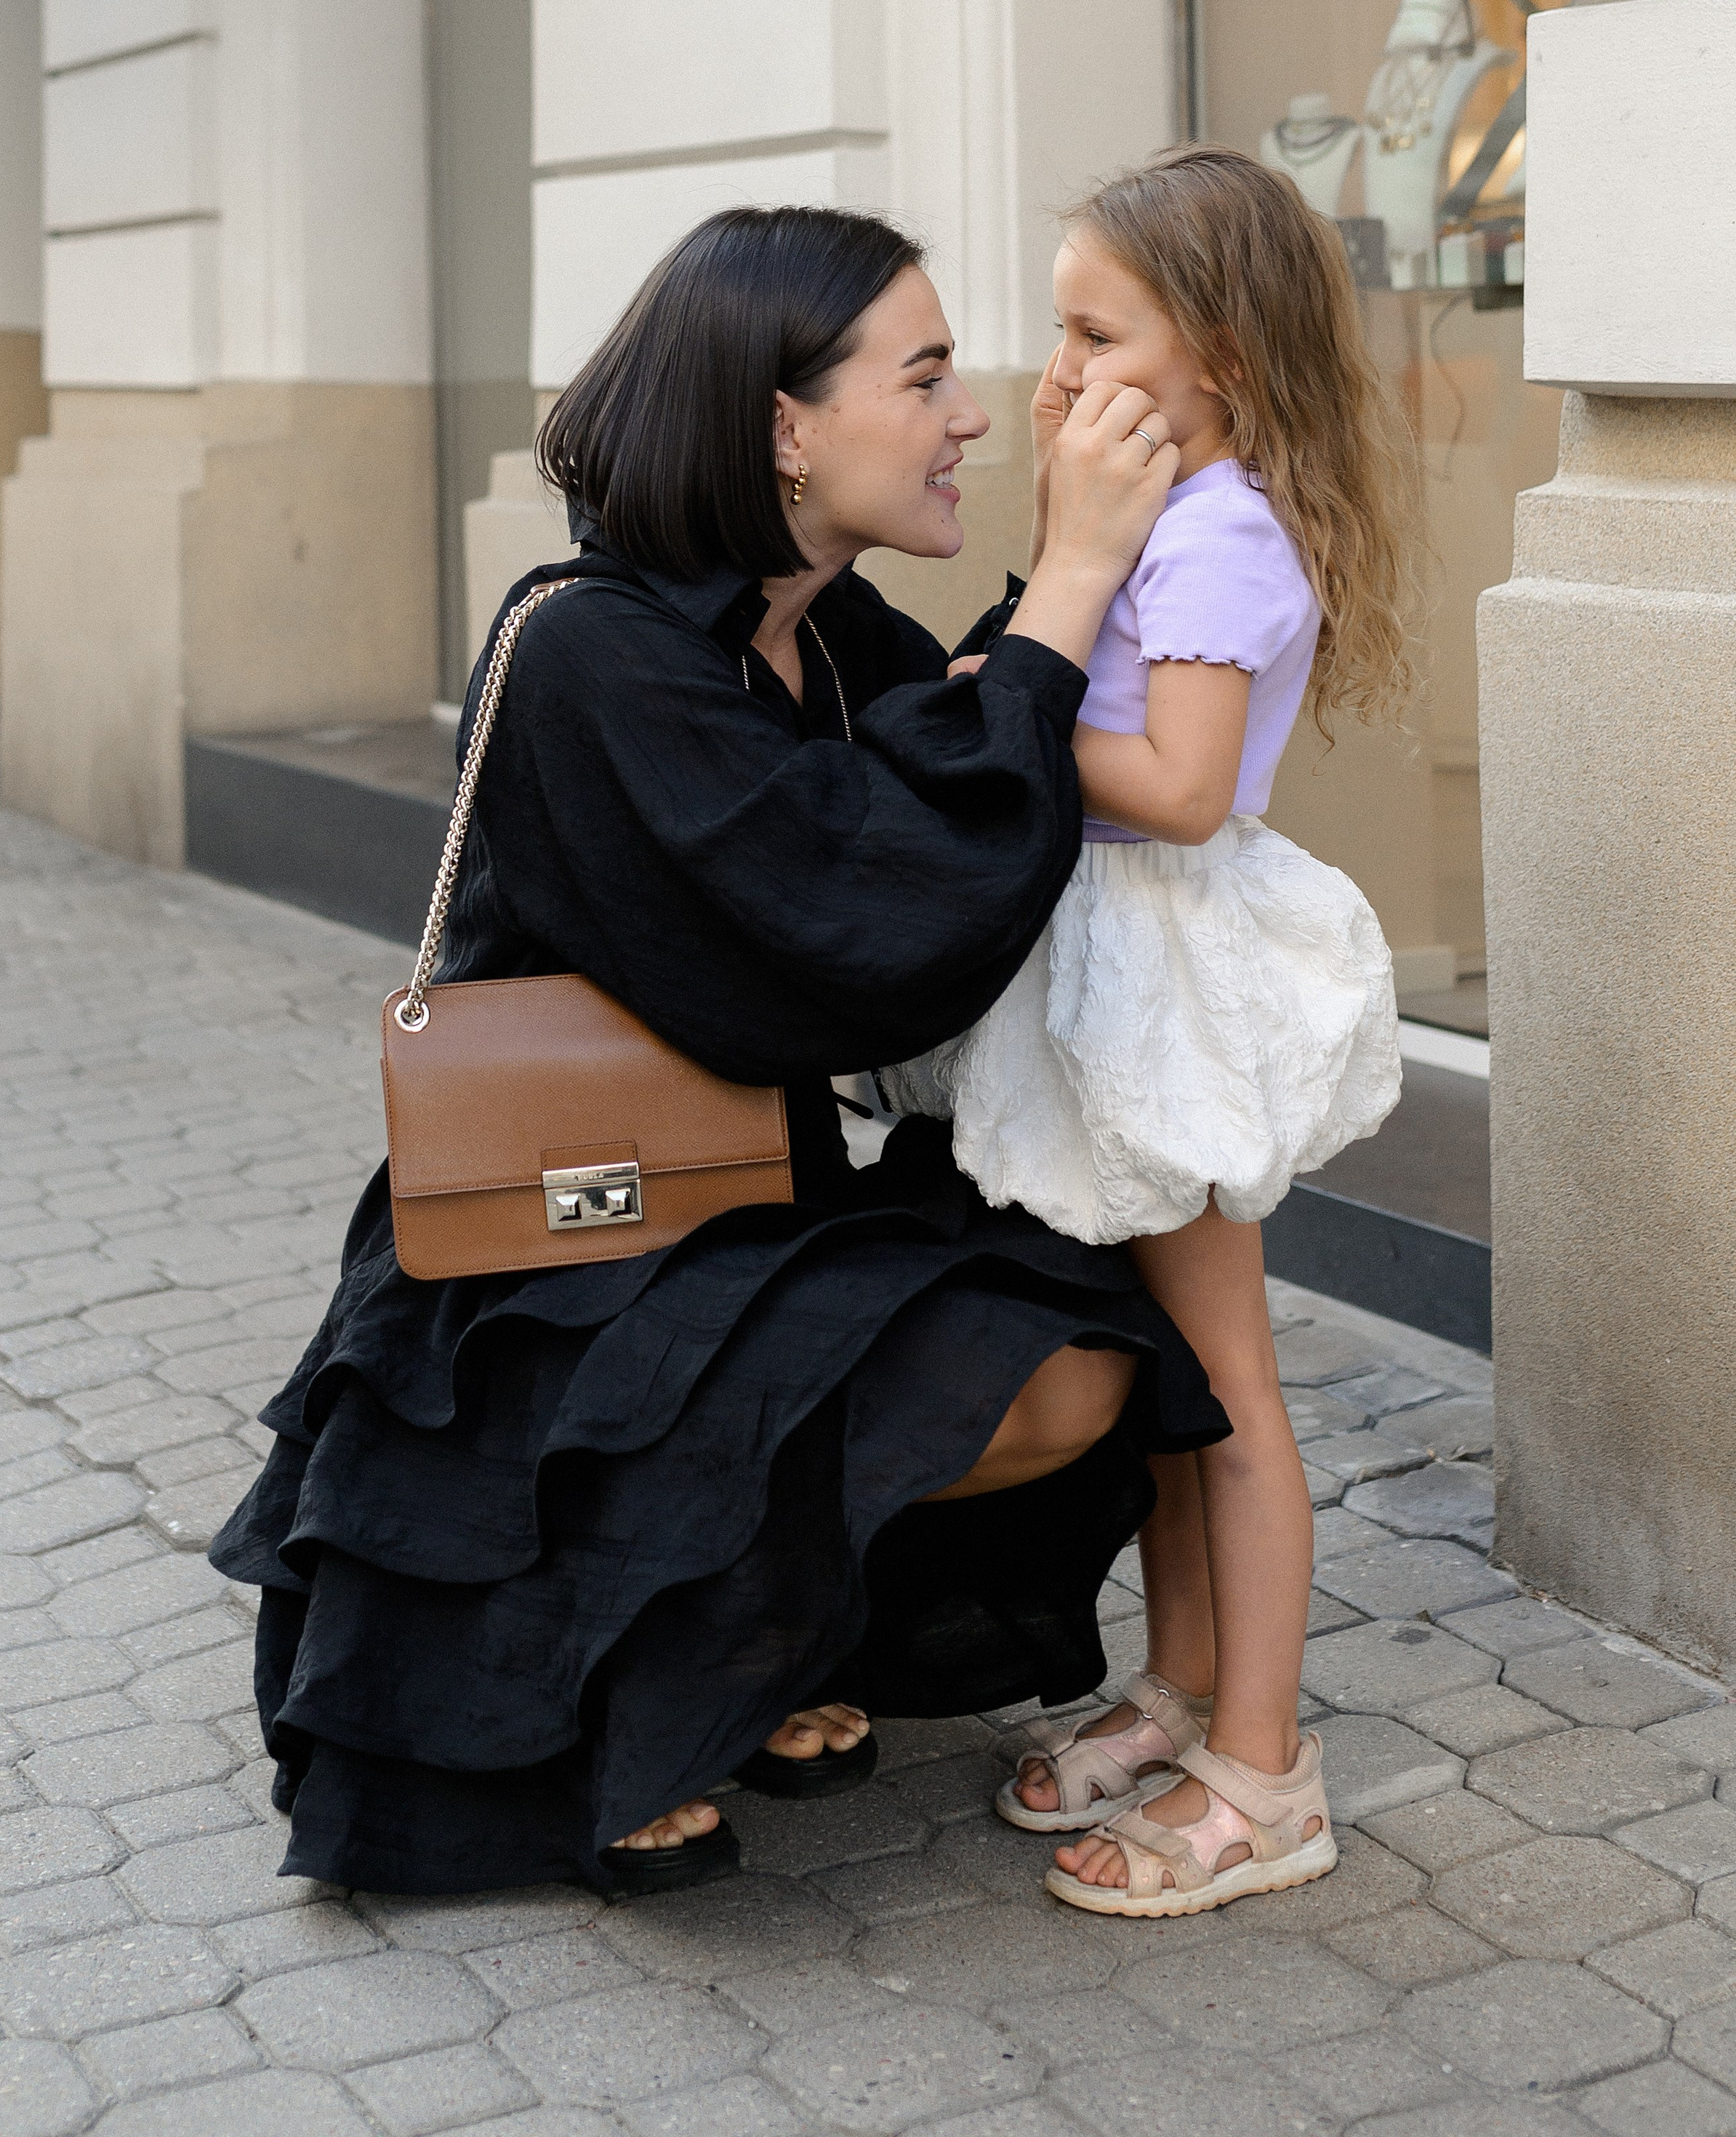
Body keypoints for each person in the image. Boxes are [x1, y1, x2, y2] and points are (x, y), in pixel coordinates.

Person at [210, 204, 1230, 1900]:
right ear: (781, 423)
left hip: (748, 1201)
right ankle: (606, 1711)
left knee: (1072, 1357)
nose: (972, 411)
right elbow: (871, 927)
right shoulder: (589, 648)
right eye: (921, 374)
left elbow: (967, 787)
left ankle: (733, 1652)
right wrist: (1069, 577)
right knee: (957, 1363)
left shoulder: (825, 630)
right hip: (555, 1259)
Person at [887, 147, 1416, 1919]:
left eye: (1091, 330)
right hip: (1099, 957)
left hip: (1164, 972)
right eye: (1054, 327)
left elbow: (1180, 788)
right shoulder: (1160, 503)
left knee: (1226, 1387)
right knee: (1166, 1379)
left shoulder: (1215, 531)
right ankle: (1183, 1698)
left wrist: (996, 715)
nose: (1053, 368)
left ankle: (1263, 1774)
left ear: (1222, 359)